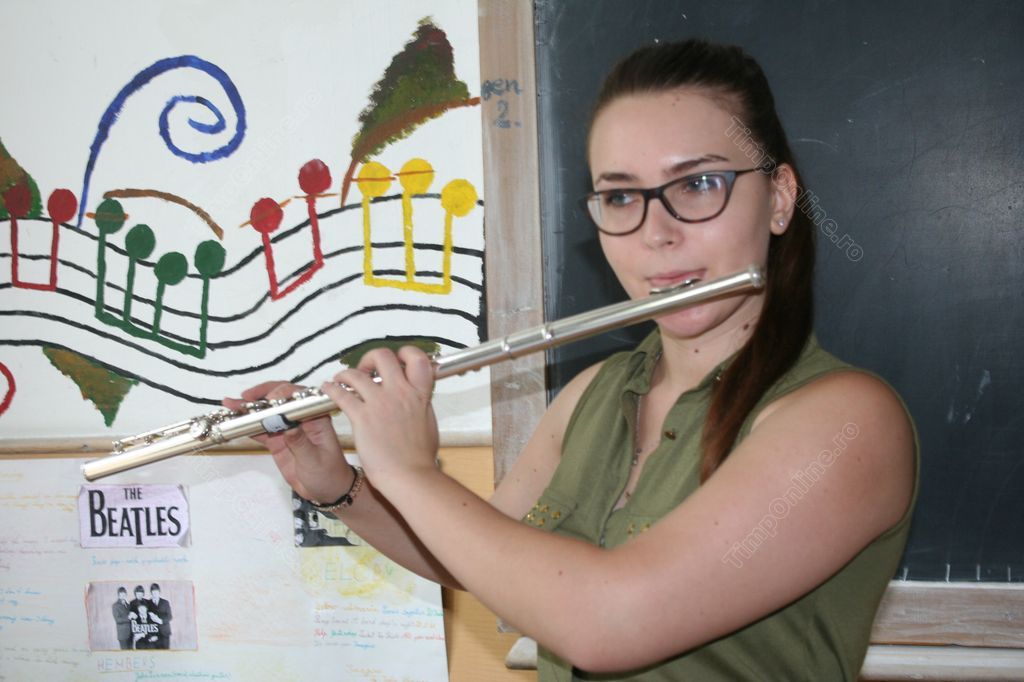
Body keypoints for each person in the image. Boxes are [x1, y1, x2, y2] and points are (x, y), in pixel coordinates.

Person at [229, 39, 917, 680]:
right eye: (620, 196)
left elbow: (609, 621)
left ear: (779, 199)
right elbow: (476, 557)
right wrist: (341, 485)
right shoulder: (594, 392)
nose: (656, 233)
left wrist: (409, 471)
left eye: (698, 184)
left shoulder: (846, 423)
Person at [147, 583, 172, 649]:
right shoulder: (148, 603)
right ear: (151, 593)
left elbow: (170, 616)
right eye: (153, 591)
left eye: (156, 591)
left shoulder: (165, 602)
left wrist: (160, 621)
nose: (155, 593)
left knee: (165, 653)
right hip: (153, 633)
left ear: (159, 592)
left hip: (164, 633)